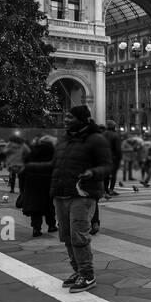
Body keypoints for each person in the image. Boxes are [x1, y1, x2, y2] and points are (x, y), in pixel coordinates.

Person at [51, 105, 112, 292]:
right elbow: (58, 165)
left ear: (83, 119)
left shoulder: (96, 139)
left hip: (82, 194)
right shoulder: (64, 139)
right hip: (62, 193)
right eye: (66, 116)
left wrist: (92, 172)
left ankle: (87, 275)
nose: (66, 119)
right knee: (67, 236)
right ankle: (78, 271)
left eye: (70, 117)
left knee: (79, 236)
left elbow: (107, 165)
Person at [19, 136, 58, 237]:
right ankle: (51, 225)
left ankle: (36, 228)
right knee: (49, 205)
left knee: (35, 206)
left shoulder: (32, 152)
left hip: (32, 182)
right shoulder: (53, 152)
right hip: (47, 181)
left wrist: (22, 187)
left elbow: (23, 169)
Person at [102, 121, 123, 198]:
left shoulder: (102, 134)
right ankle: (111, 189)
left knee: (106, 175)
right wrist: (119, 157)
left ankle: (105, 190)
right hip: (113, 158)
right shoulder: (115, 135)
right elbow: (118, 149)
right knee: (113, 174)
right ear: (114, 127)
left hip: (104, 157)